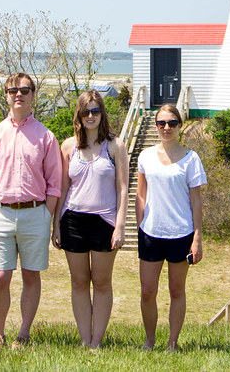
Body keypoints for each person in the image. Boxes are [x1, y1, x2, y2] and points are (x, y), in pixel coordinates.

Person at [0, 72, 62, 349]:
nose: (18, 95)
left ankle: (23, 334)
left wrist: (46, 215)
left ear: (33, 94)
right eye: (13, 90)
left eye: (24, 90)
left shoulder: (45, 137)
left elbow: (54, 184)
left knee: (30, 274)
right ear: (6, 95)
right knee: (1, 276)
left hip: (34, 214)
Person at [51, 89, 129, 348]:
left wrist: (119, 225)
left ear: (102, 113)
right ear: (79, 114)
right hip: (72, 220)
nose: (91, 115)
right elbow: (62, 189)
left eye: (95, 110)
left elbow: (122, 188)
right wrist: (56, 226)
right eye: (86, 111)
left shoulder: (115, 145)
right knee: (79, 281)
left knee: (102, 282)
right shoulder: (68, 146)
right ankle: (85, 339)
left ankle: (97, 340)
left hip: (104, 222)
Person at [136, 103, 207, 351]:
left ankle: (172, 344)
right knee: (147, 292)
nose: (166, 128)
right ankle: (149, 340)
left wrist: (197, 237)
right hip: (151, 234)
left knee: (177, 291)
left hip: (181, 234)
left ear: (179, 125)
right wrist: (141, 225)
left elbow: (196, 200)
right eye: (161, 123)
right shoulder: (145, 156)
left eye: (172, 123)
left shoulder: (191, 160)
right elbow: (141, 195)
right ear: (156, 125)